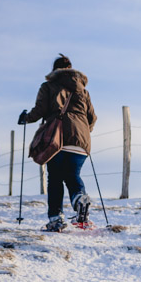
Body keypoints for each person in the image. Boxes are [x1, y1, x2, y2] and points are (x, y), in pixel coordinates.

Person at [18, 54, 97, 232]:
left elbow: (40, 110)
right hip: (81, 140)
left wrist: (26, 118)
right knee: (72, 174)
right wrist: (83, 131)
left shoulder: (48, 86)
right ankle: (79, 199)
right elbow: (92, 118)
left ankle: (56, 219)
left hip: (57, 139)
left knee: (55, 178)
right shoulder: (83, 91)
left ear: (54, 70)